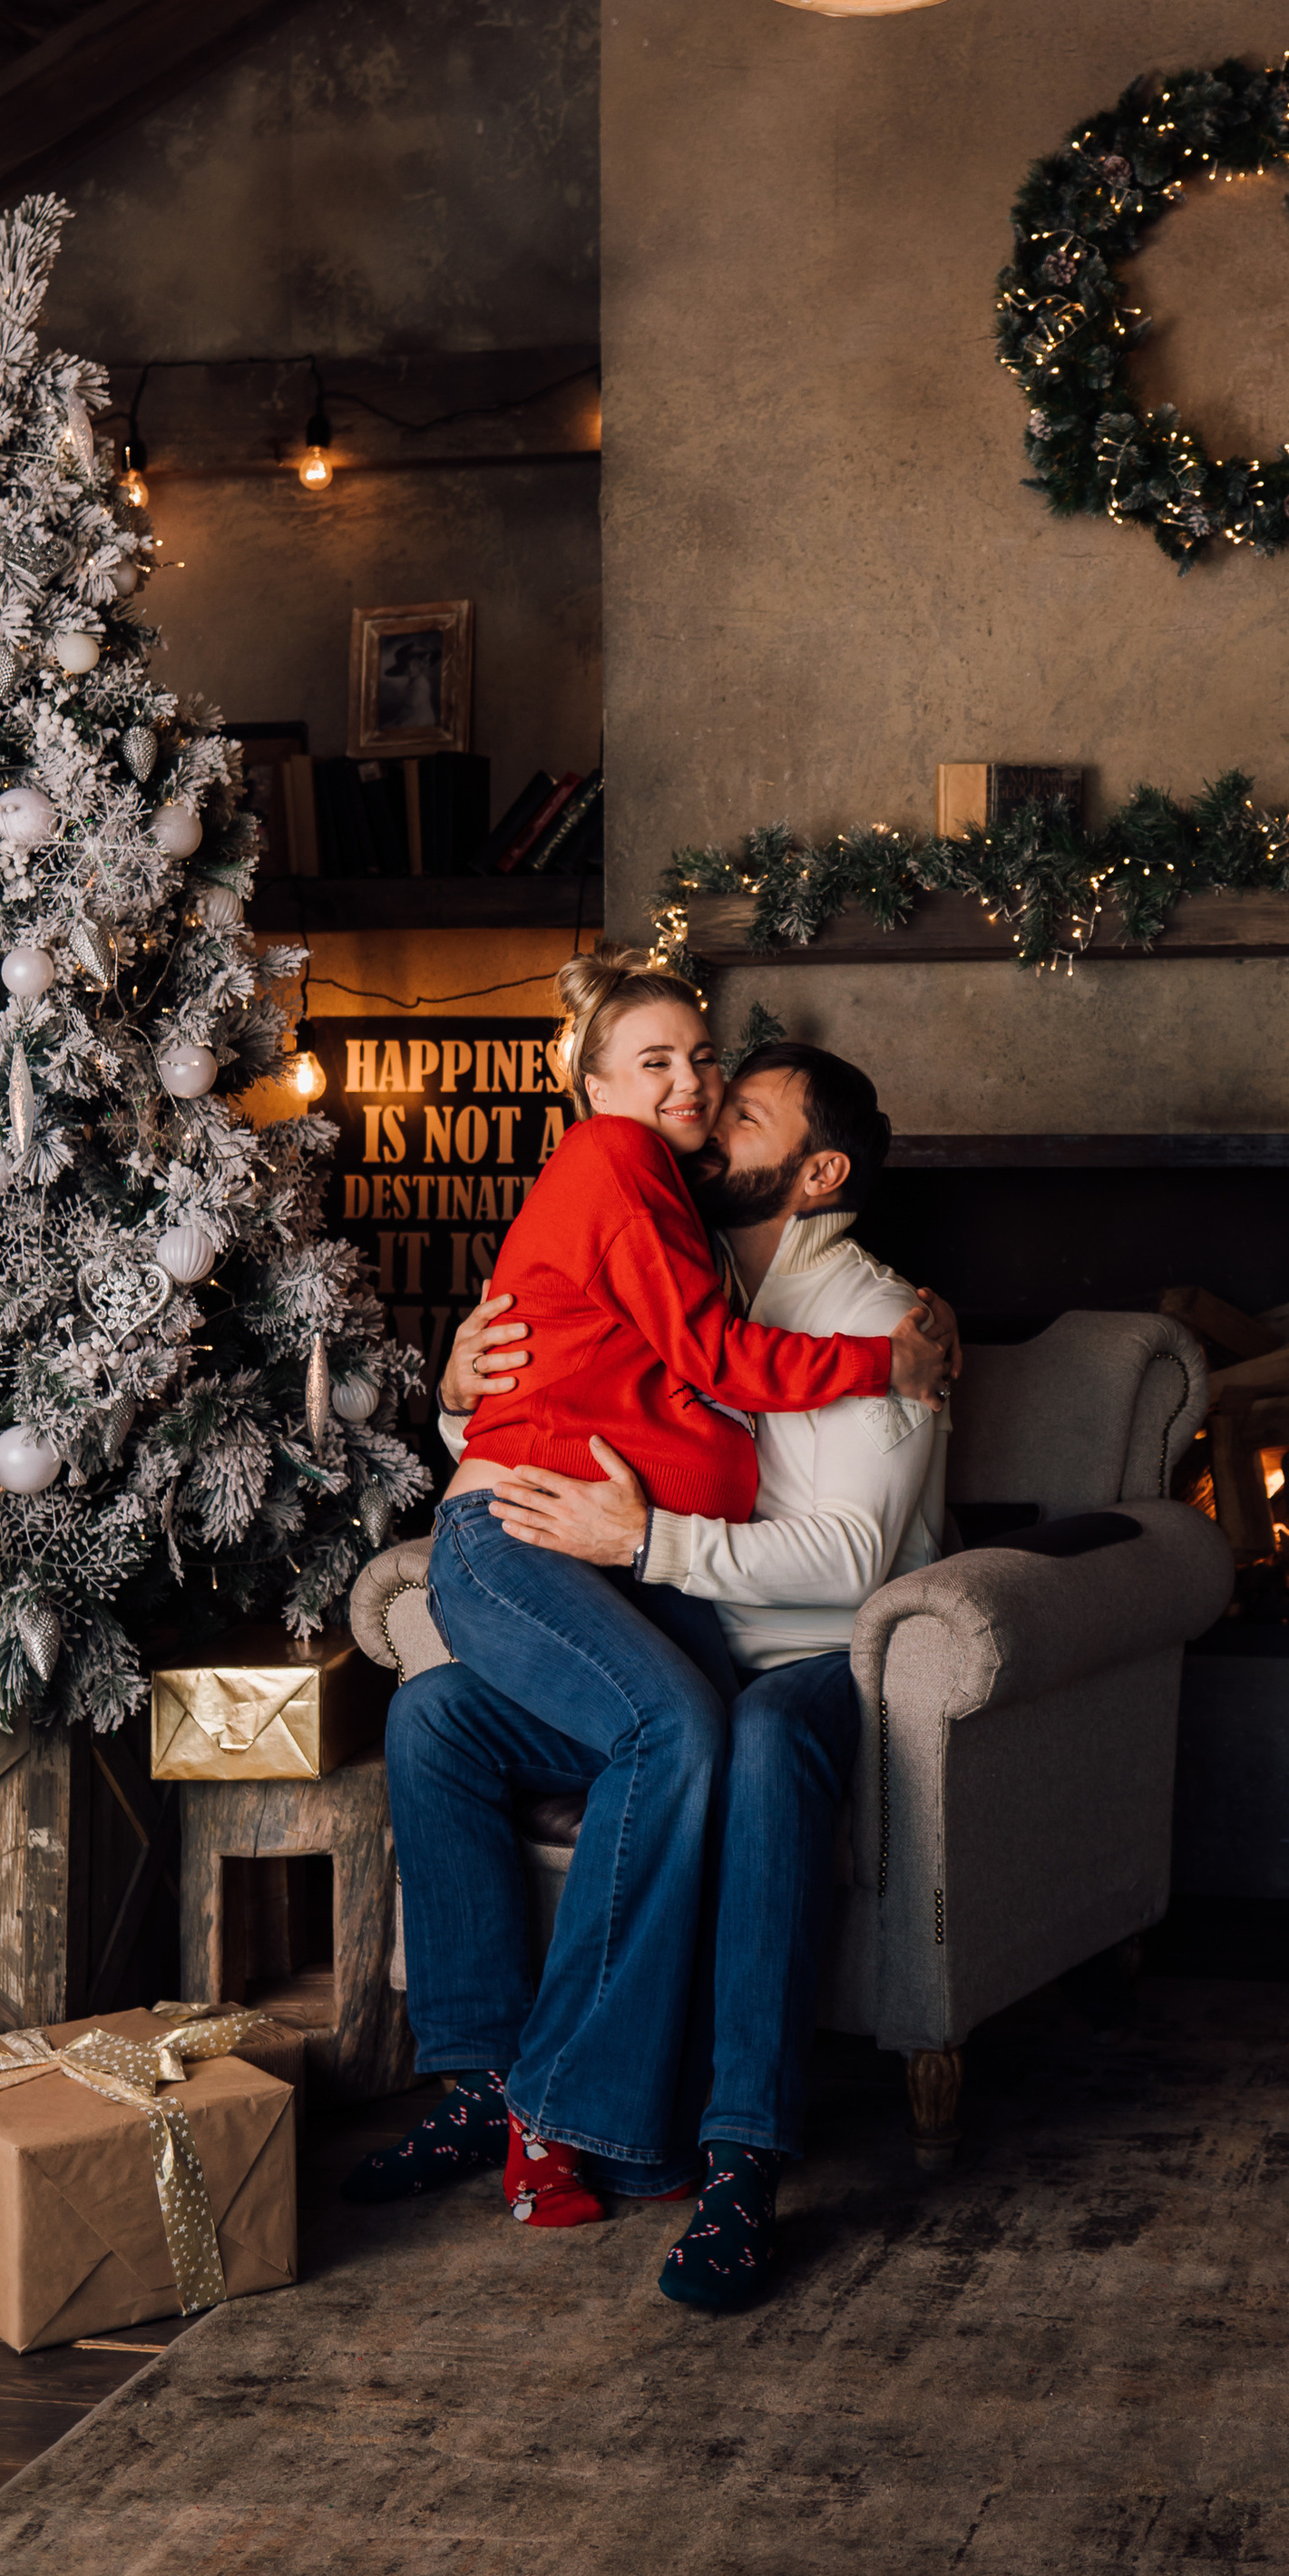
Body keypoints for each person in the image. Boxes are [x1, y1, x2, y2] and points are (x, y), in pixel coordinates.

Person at [350, 970, 952, 2310]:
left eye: (733, 1102)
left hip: (799, 1654)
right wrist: (455, 1393)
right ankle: (485, 2083)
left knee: (721, 1737)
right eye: (675, 1074)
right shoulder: (671, 1235)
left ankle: (723, 2151)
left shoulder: (877, 1316)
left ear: (818, 1172)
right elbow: (566, 1390)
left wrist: (649, 1543)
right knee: (435, 1717)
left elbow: (850, 1560)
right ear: (600, 1089)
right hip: (666, 1619)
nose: (704, 1109)